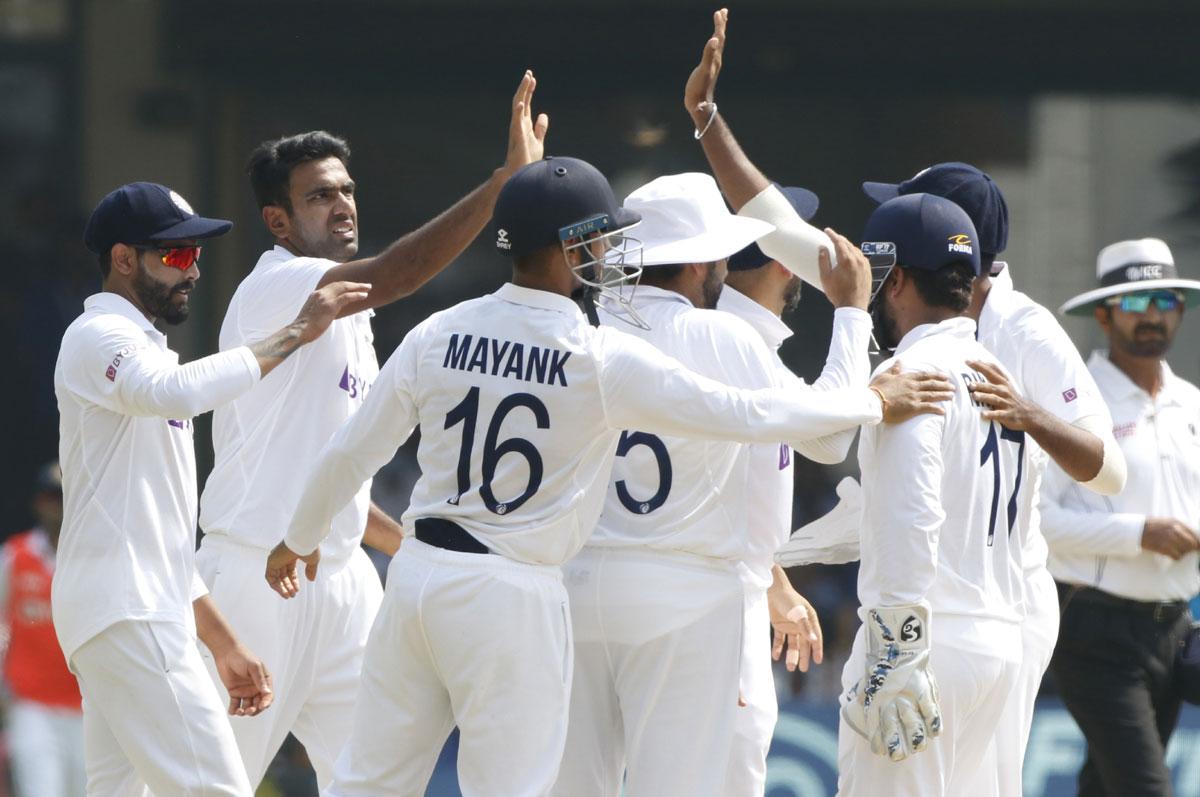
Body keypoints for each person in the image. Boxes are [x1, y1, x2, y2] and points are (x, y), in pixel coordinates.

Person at [264, 155, 948, 797]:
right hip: (528, 590)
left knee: (367, 781)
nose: (609, 256)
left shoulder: (440, 330)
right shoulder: (594, 355)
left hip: (423, 576)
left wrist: (298, 536)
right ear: (569, 249)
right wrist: (871, 392)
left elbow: (349, 454)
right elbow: (749, 412)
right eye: (598, 242)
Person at [195, 71, 550, 789]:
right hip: (258, 575)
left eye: (346, 189)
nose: (341, 204)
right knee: (214, 781)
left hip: (342, 580)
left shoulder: (349, 323)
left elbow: (339, 478)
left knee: (379, 778)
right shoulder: (279, 283)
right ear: (279, 222)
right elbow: (399, 272)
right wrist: (504, 183)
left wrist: (415, 541)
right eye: (318, 195)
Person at [54, 181, 366, 796]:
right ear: (123, 259)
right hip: (128, 607)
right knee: (215, 789)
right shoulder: (98, 338)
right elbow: (176, 394)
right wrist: (297, 331)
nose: (191, 270)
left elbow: (161, 529)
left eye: (196, 255)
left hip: (131, 606)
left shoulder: (149, 352)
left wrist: (222, 642)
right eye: (174, 256)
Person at [860, 160, 1127, 796]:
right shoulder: (956, 339)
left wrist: (1029, 413)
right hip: (973, 601)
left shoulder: (1021, 326)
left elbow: (1110, 470)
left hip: (1002, 597)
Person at [680, 14, 870, 791]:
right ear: (780, 264)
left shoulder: (726, 337)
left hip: (707, 595)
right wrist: (853, 310)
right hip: (704, 612)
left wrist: (777, 584)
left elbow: (732, 493)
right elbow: (829, 438)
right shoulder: (740, 347)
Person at [837, 192, 1023, 797]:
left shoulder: (911, 376)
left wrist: (897, 650)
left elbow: (911, 512)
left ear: (896, 282)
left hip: (923, 641)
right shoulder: (999, 373)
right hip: (995, 641)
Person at [1041, 237, 1200, 797]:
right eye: (1136, 303)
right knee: (1144, 787)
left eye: (1164, 300)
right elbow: (1038, 524)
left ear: (1180, 310)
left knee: (1108, 786)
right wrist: (1140, 534)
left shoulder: (1192, 403)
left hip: (1175, 628)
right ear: (1105, 315)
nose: (1153, 314)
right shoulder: (1076, 405)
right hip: (1094, 630)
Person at [0, 463, 84, 797]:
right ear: (39, 502)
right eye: (52, 497)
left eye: (65, 498)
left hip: (88, 707)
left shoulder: (95, 561)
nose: (58, 506)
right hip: (32, 706)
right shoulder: (14, 556)